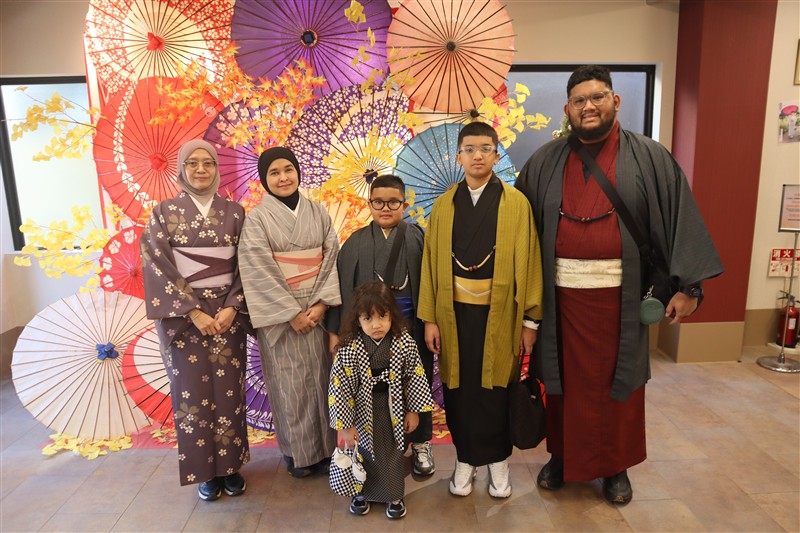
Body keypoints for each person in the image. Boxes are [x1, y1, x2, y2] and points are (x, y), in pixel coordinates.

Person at [515, 65, 724, 504]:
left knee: (620, 386)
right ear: (567, 109)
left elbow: (679, 219)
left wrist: (689, 287)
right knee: (562, 383)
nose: (588, 107)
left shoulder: (650, 157)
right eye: (579, 101)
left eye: (597, 97)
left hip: (621, 299)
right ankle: (562, 456)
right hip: (560, 299)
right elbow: (518, 228)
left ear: (615, 101)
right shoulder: (545, 161)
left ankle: (615, 467)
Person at [418, 121, 543, 498]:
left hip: (500, 314)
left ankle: (498, 463)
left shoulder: (516, 203)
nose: (477, 155)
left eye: (485, 148)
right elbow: (429, 264)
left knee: (496, 387)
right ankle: (465, 460)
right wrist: (430, 318)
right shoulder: (444, 205)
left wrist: (530, 321)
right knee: (459, 388)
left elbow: (530, 261)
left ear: (496, 154)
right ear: (458, 156)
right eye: (469, 149)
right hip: (453, 313)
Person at [141, 139, 250, 501]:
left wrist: (233, 305)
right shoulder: (163, 212)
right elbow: (156, 263)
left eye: (208, 163)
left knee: (230, 391)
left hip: (227, 315)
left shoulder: (236, 212)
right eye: (193, 163)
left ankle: (230, 467)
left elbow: (248, 263)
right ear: (182, 169)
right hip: (185, 318)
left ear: (217, 169)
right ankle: (204, 472)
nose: (201, 169)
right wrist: (193, 311)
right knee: (192, 395)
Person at [238, 146, 341, 478]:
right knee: (290, 384)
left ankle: (327, 450)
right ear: (264, 179)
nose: (283, 178)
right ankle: (298, 453)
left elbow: (331, 257)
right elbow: (257, 268)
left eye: (288, 170)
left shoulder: (318, 212)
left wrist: (322, 304)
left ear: (298, 172)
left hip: (318, 310)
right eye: (274, 173)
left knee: (325, 380)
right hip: (282, 317)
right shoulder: (257, 219)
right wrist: (291, 313)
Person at [325, 174, 436, 477]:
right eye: (378, 202)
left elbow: (432, 284)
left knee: (416, 381)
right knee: (372, 389)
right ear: (369, 203)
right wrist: (336, 332)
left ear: (404, 204)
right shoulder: (355, 242)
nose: (385, 208)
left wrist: (431, 321)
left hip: (411, 326)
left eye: (393, 202)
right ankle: (376, 448)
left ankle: (421, 441)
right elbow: (340, 288)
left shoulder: (418, 237)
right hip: (368, 332)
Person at [328, 281, 434, 519]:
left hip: (393, 407)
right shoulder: (348, 349)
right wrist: (345, 426)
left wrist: (413, 411)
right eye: (368, 318)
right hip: (361, 410)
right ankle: (360, 493)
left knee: (394, 451)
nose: (376, 325)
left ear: (392, 315)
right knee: (363, 450)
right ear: (357, 320)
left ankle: (394, 495)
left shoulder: (404, 342)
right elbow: (340, 388)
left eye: (382, 316)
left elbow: (414, 377)